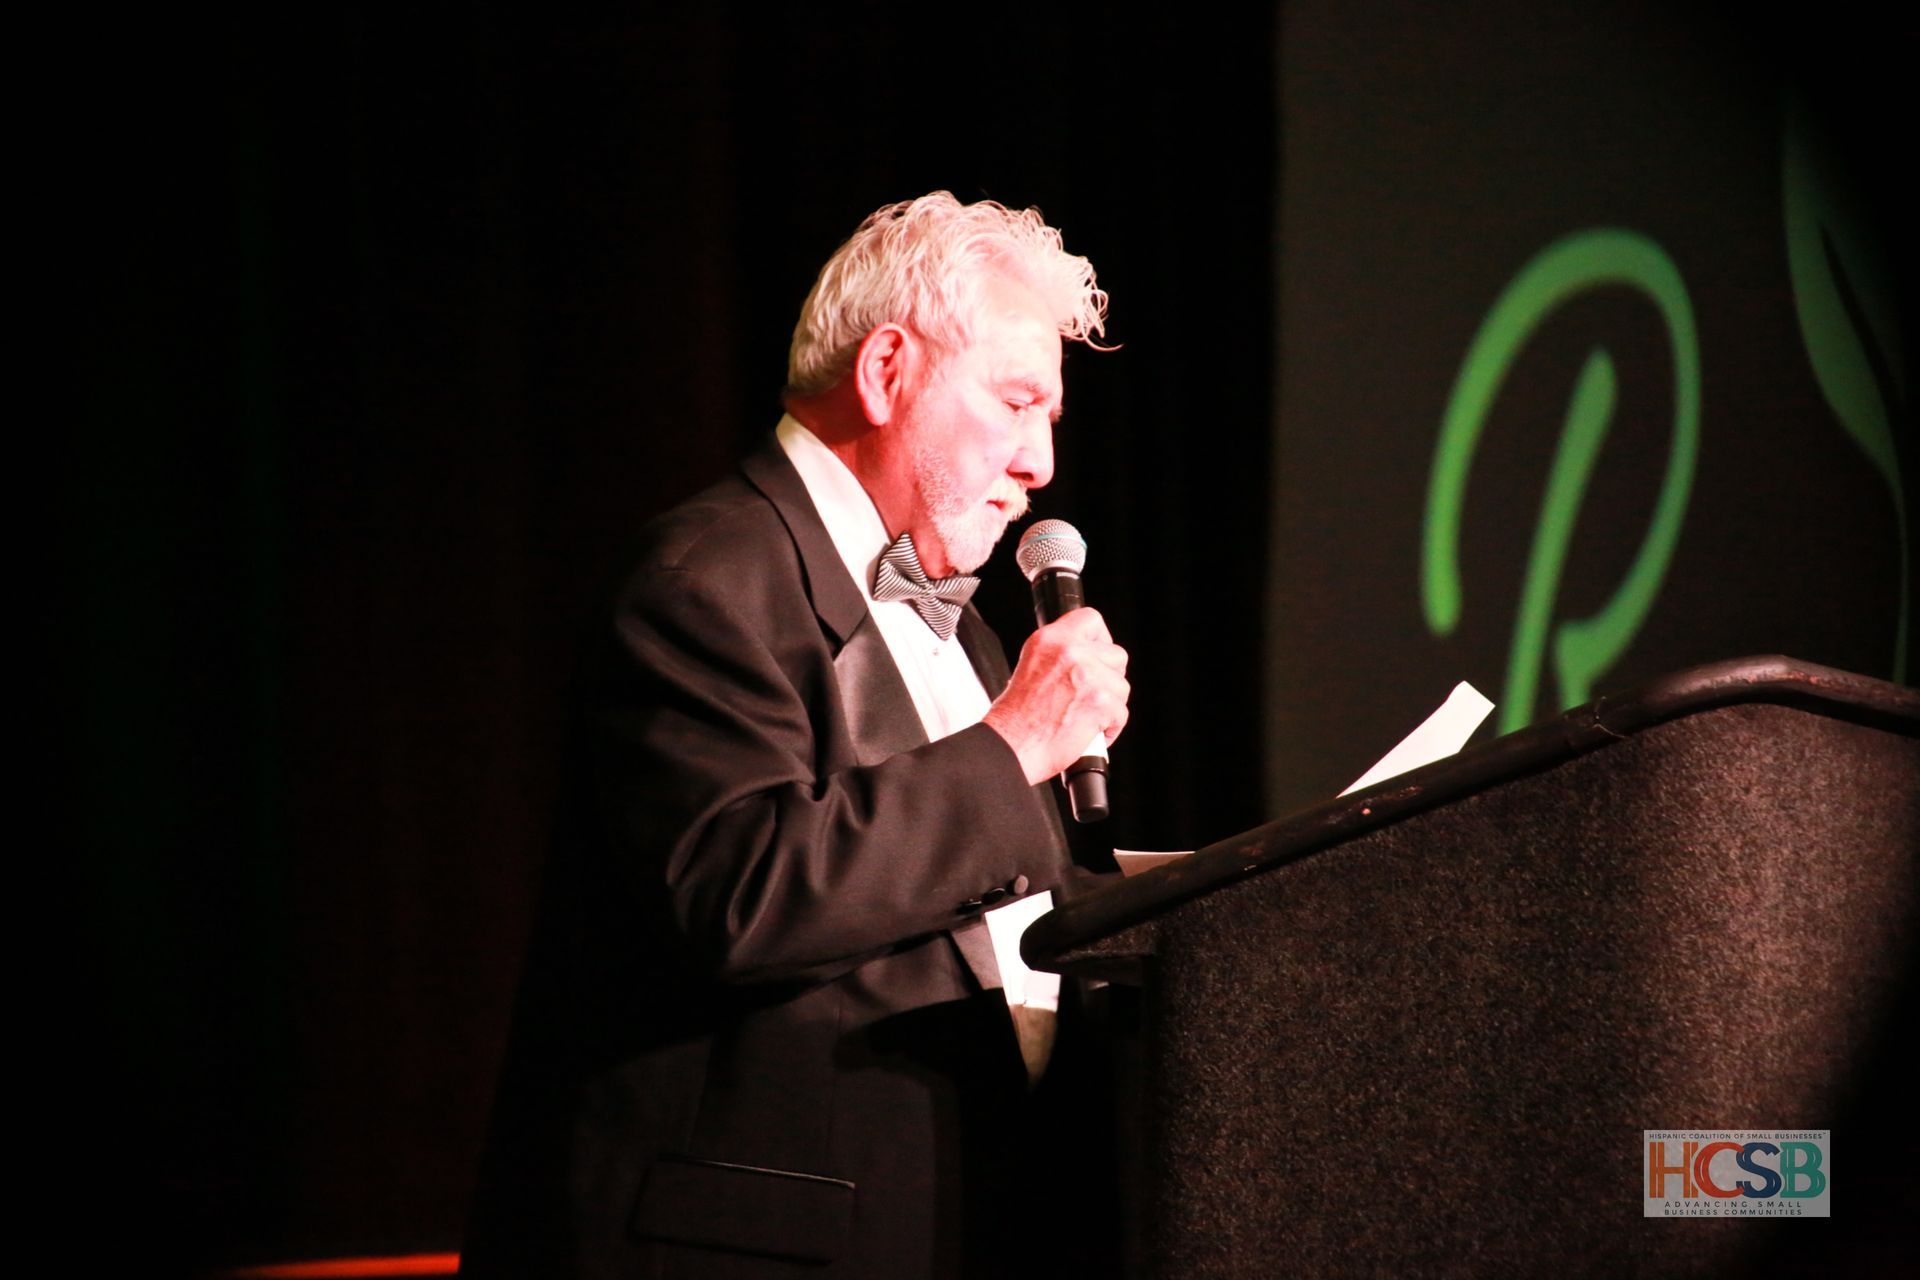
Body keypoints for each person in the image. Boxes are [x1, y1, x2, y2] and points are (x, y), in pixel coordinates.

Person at [463, 192, 1129, 1279]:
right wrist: (1012, 749)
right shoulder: (703, 581)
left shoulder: (970, 633)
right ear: (887, 371)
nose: (1040, 462)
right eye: (1017, 402)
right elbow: (742, 891)